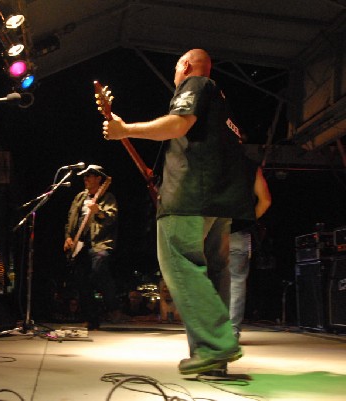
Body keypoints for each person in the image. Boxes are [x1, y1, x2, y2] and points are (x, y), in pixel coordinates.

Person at [103, 49, 254, 374]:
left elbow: (177, 124)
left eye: (175, 70)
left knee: (178, 262)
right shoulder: (223, 106)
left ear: (184, 66)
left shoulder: (196, 83)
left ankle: (217, 344)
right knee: (215, 274)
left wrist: (125, 129)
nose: (175, 76)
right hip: (221, 204)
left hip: (190, 198)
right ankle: (212, 361)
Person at [63, 164, 123, 329]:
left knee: (98, 270)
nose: (86, 179)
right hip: (80, 244)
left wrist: (98, 212)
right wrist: (68, 237)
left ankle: (113, 306)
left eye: (90, 176)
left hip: (100, 243)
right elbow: (70, 219)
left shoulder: (108, 197)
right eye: (85, 176)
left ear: (99, 179)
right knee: (82, 282)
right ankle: (92, 319)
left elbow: (112, 219)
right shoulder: (79, 198)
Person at [220, 166, 272, 339]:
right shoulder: (250, 167)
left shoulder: (212, 159)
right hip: (239, 232)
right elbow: (265, 201)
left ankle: (211, 332)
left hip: (214, 230)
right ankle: (232, 333)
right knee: (236, 282)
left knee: (212, 280)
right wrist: (248, 220)